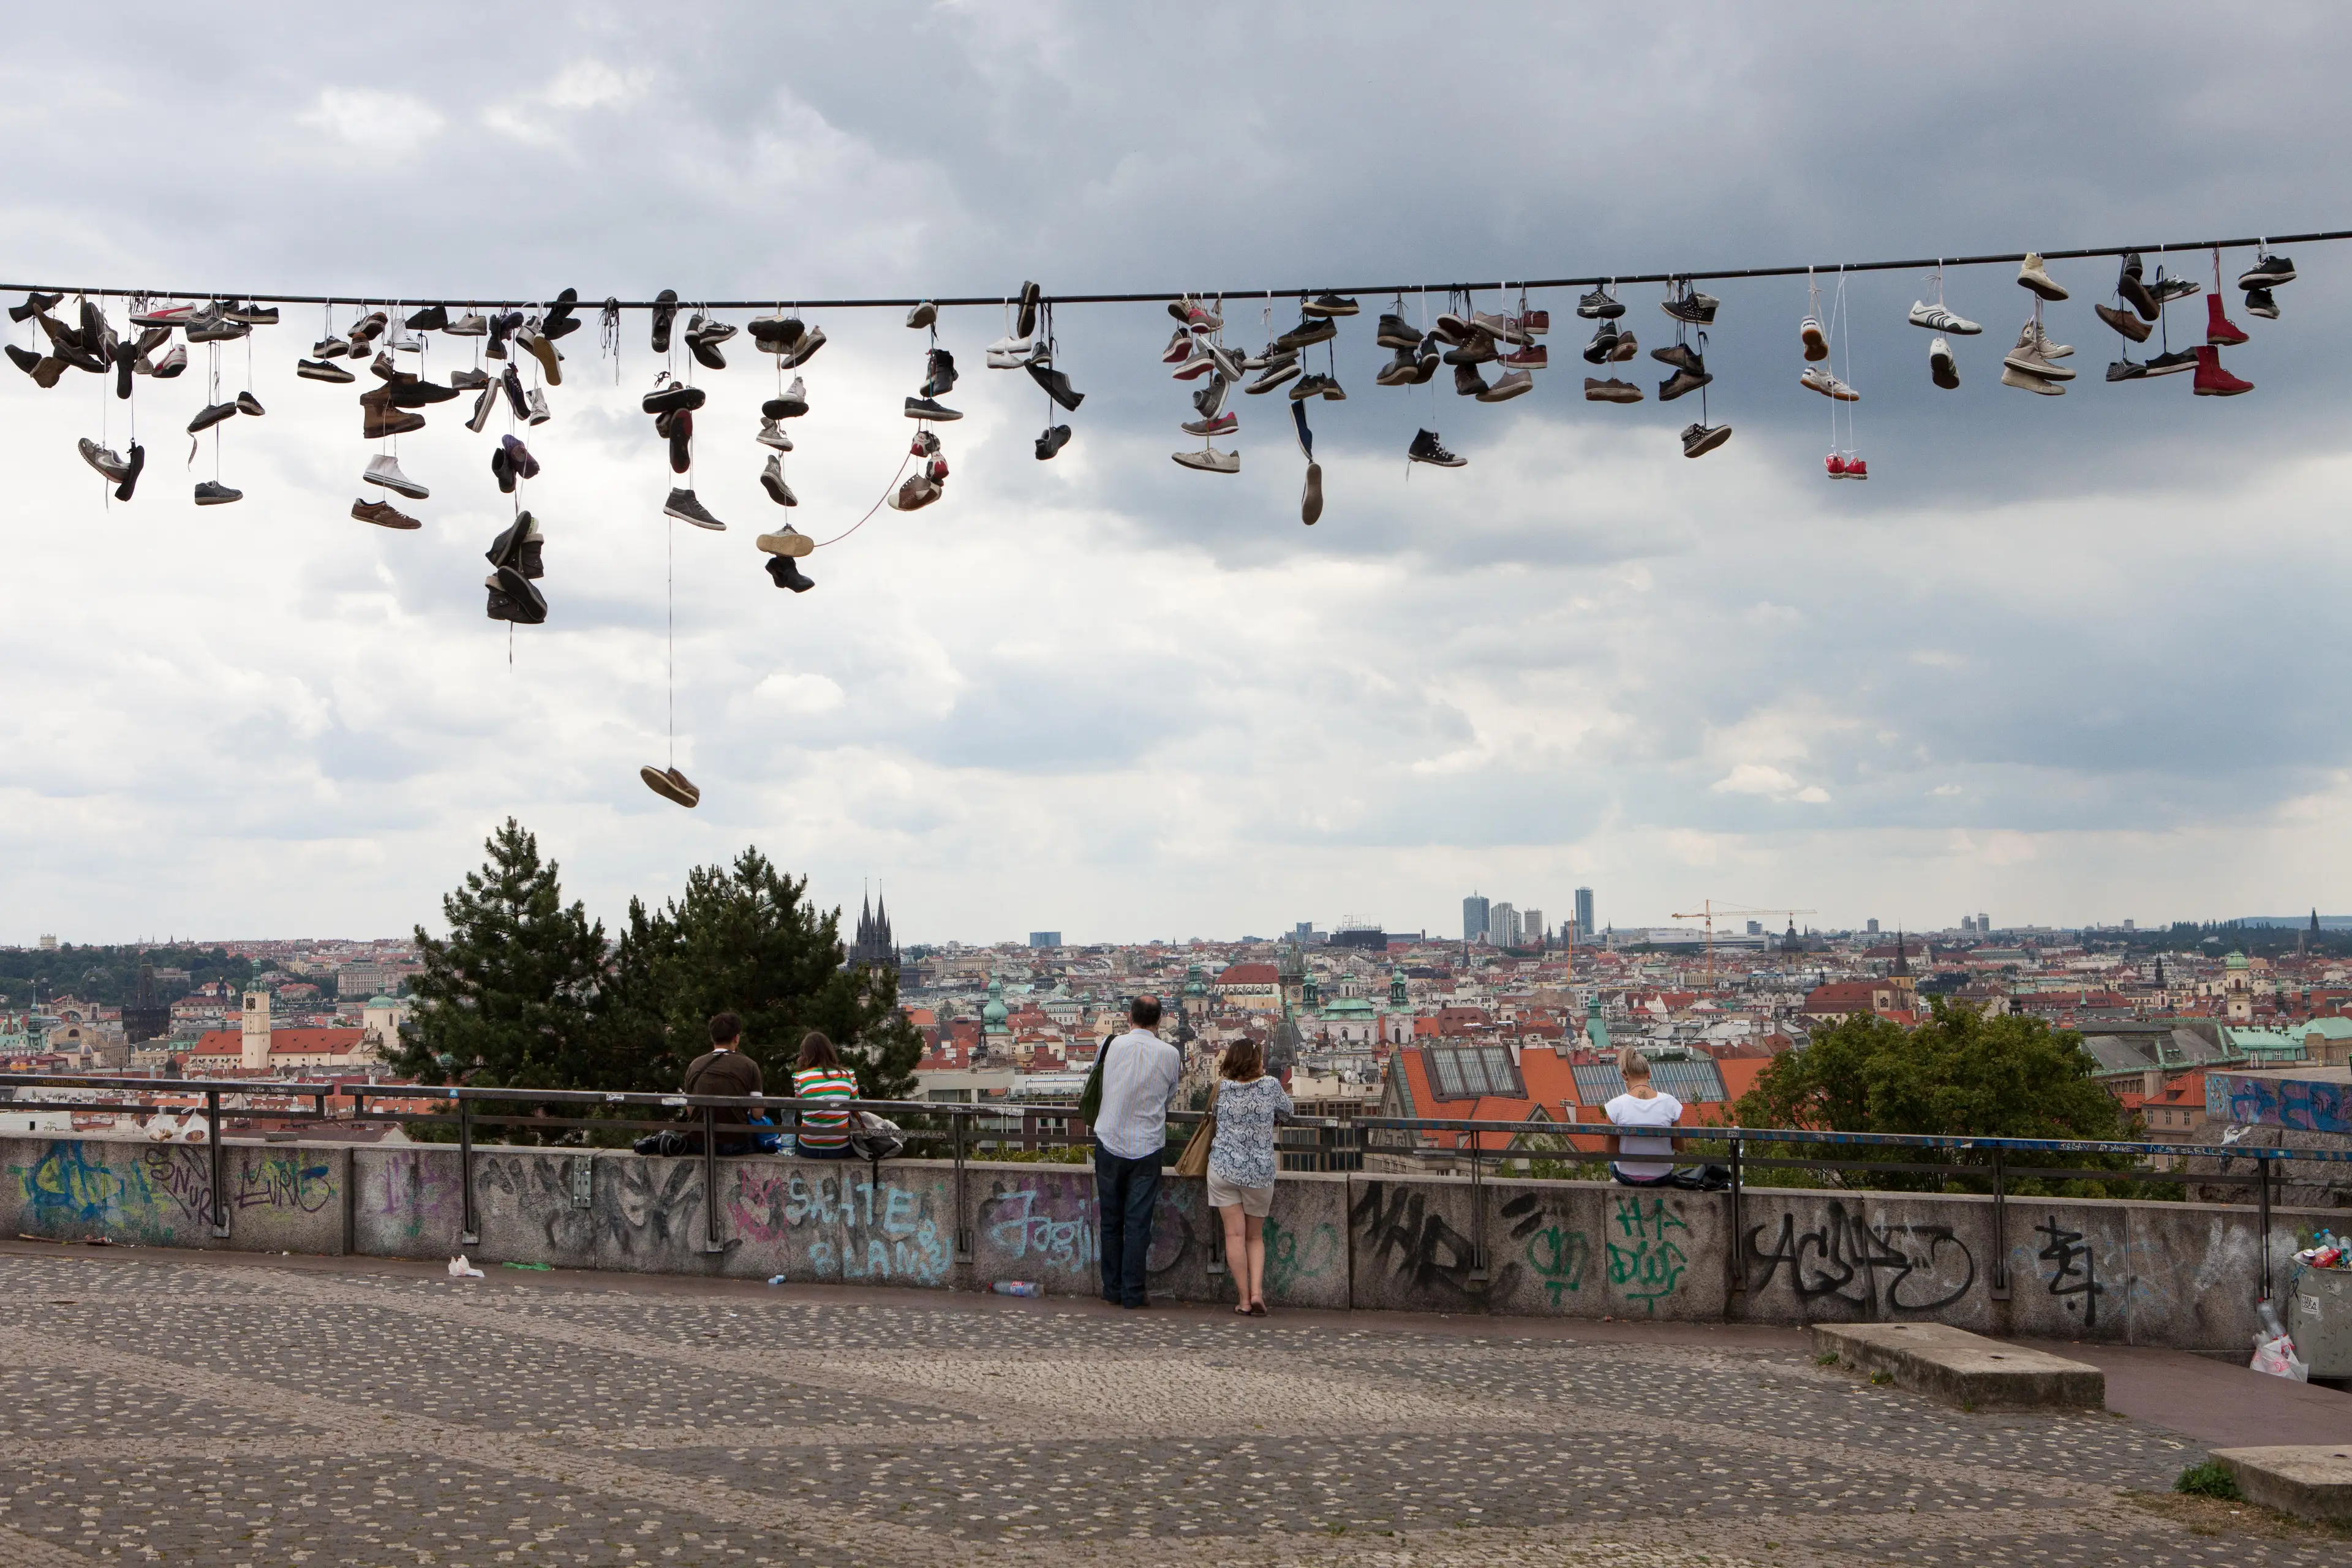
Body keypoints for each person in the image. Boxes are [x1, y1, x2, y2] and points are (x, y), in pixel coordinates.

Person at [1092, 994, 1181, 1308]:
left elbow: (1098, 1082)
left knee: (1111, 1222)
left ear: (1130, 1017)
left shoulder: (1109, 1045)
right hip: (1147, 1147)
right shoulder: (1171, 1054)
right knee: (1138, 1225)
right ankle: (1132, 1293)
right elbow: (1170, 1096)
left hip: (1110, 1141)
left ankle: (1112, 1290)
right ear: (1159, 1020)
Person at [1205, 1037, 1292, 1317]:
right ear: (1257, 1062)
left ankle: (1243, 1300)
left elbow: (1215, 1117)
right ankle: (1257, 1293)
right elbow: (1288, 1112)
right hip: (1258, 1171)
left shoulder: (1222, 1088)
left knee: (1233, 1234)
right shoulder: (1270, 1086)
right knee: (1254, 1237)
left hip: (1223, 1168)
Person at [681, 1011, 763, 1155]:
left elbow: (690, 1110)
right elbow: (757, 1113)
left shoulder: (695, 1065)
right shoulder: (749, 1065)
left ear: (713, 1039)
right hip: (735, 1143)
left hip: (699, 1143)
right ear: (736, 1038)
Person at [1604, 1047, 1686, 1185]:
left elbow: (1611, 1152)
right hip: (1661, 1176)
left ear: (1625, 1076)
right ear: (1649, 1074)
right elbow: (1680, 1146)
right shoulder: (1670, 1103)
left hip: (1627, 1176)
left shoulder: (1615, 1106)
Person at [789, 1031, 859, 1161]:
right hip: (839, 1147)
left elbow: (802, 1109)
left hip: (808, 1147)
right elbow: (857, 1108)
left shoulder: (800, 1077)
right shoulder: (848, 1075)